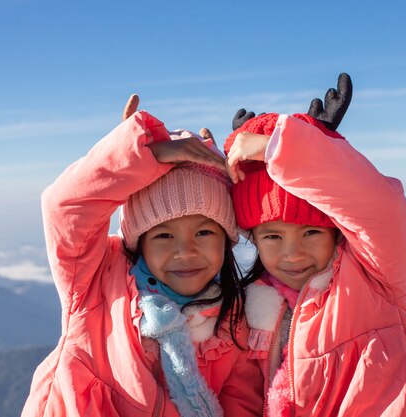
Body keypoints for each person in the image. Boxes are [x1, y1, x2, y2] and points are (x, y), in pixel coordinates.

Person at [223, 73, 406, 416]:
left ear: (337, 232)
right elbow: (241, 396)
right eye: (273, 236)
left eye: (311, 233)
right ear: (252, 237)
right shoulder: (253, 310)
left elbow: (379, 207)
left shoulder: (377, 279)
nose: (293, 253)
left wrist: (281, 149)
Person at [22, 95, 263, 417]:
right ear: (139, 242)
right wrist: (139, 158)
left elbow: (241, 400)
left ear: (226, 239)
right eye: (164, 235)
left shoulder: (233, 318)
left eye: (204, 232)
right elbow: (63, 207)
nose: (186, 250)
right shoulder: (95, 284)